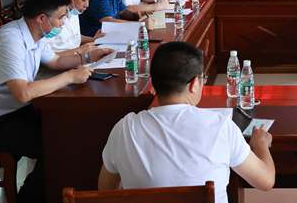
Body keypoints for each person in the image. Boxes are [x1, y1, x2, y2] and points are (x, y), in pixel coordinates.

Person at [0, 0, 108, 203]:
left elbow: (55, 61)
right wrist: (69, 77)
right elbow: (23, 93)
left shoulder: (34, 34)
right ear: (41, 19)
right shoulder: (9, 40)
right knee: (58, 145)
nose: (64, 23)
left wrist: (89, 56)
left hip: (12, 112)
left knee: (72, 130)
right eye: (61, 17)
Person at [98, 41, 275, 203]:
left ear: (153, 82)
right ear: (194, 84)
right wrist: (260, 144)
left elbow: (105, 190)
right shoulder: (221, 126)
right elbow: (265, 181)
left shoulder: (124, 129)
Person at [47, 0, 114, 62]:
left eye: (89, 0)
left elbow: (74, 37)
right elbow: (45, 57)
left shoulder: (73, 9)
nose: (87, 5)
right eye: (83, 0)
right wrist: (79, 51)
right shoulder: (50, 15)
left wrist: (93, 39)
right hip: (60, 64)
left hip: (76, 59)